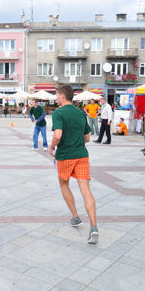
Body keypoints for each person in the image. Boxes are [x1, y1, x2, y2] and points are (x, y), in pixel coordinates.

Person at [49, 85, 98, 244]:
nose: (56, 98)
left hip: (66, 156)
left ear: (62, 96)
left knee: (64, 184)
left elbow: (58, 134)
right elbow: (87, 138)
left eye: (56, 95)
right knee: (86, 189)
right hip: (82, 156)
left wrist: (52, 146)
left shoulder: (58, 113)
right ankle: (94, 226)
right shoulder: (80, 113)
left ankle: (75, 217)